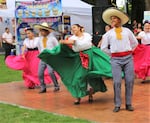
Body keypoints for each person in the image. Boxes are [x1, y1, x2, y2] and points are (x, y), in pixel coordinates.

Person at [38, 24, 113, 105]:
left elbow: (91, 45)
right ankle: (77, 97)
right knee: (78, 77)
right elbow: (72, 42)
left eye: (74, 27)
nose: (73, 29)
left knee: (91, 76)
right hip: (79, 58)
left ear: (79, 28)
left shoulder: (87, 35)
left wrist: (97, 53)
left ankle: (90, 95)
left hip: (90, 56)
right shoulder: (72, 38)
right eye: (72, 28)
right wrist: (63, 42)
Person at [101, 7, 138, 112]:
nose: (112, 20)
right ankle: (117, 104)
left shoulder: (127, 31)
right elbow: (103, 48)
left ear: (119, 20)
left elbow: (135, 42)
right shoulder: (108, 34)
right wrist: (112, 54)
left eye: (114, 18)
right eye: (111, 19)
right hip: (115, 60)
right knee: (117, 82)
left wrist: (130, 51)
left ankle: (128, 103)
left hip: (128, 58)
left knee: (130, 81)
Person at [34, 22, 60, 93]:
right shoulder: (40, 39)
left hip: (51, 57)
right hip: (43, 57)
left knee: (51, 72)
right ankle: (43, 87)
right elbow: (39, 47)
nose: (41, 32)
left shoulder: (52, 38)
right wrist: (41, 54)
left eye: (42, 31)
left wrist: (55, 55)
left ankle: (56, 85)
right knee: (40, 73)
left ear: (46, 31)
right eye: (40, 31)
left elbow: (57, 47)